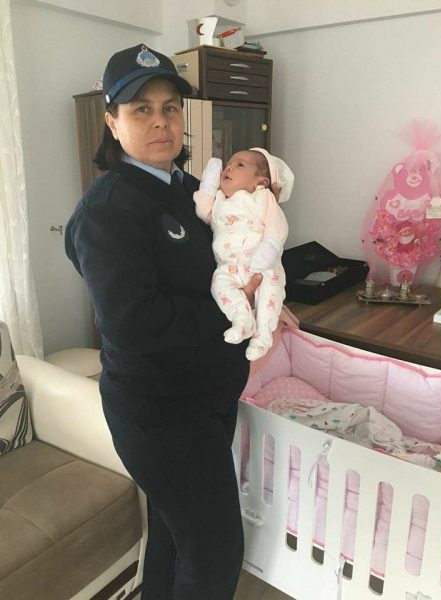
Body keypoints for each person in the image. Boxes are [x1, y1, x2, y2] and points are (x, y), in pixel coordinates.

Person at [64, 44, 262, 600]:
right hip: (162, 413)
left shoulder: (188, 189)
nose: (160, 122)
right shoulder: (109, 209)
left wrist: (265, 295)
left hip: (208, 396)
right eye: (141, 109)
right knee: (215, 551)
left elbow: (226, 262)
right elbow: (133, 324)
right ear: (112, 122)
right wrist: (233, 309)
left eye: (170, 108)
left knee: (177, 538)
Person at [194, 150, 294, 361]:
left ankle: (263, 338)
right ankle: (242, 320)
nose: (229, 167)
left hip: (261, 265)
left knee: (269, 297)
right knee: (219, 286)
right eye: (228, 164)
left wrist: (268, 251)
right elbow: (202, 211)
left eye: (239, 165)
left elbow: (278, 227)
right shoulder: (220, 200)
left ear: (261, 182)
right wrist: (208, 185)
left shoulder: (263, 198)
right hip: (228, 267)